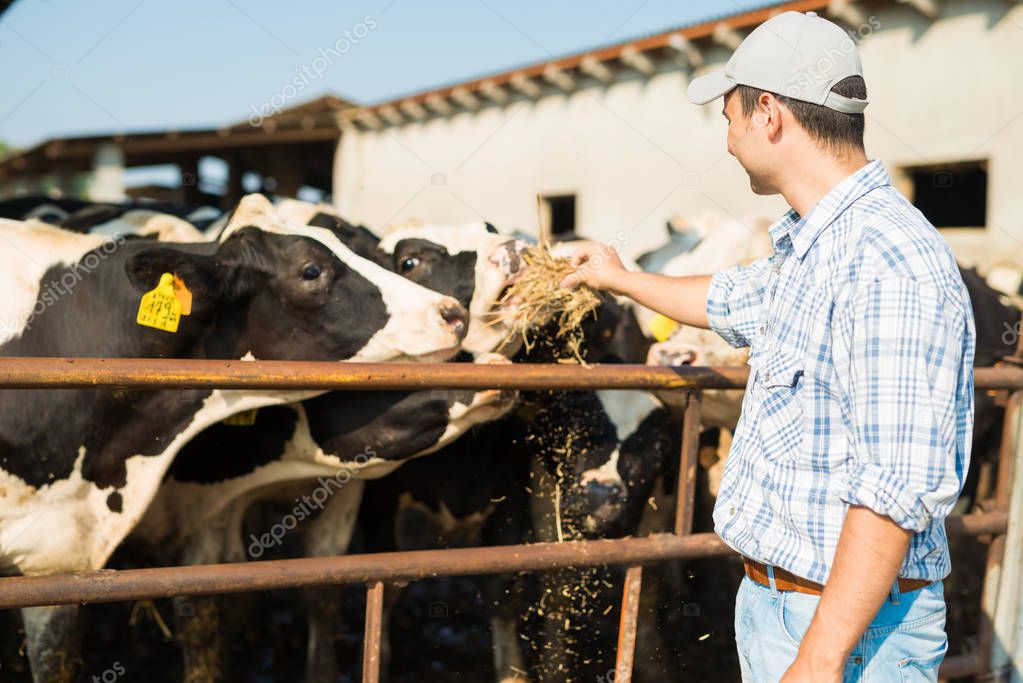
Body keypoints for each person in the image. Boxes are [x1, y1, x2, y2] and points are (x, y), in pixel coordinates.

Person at [563, 11, 975, 683]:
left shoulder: (886, 260)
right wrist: (618, 275)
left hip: (848, 634)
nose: (725, 140)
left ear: (768, 114)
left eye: (727, 117)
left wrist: (817, 658)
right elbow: (722, 300)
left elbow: (892, 488)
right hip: (783, 604)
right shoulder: (812, 249)